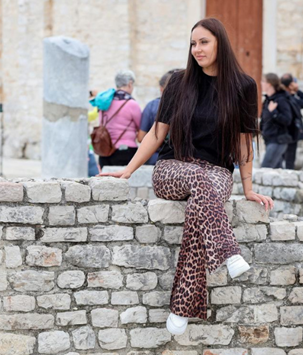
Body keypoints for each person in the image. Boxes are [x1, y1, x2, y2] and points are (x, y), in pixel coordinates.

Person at [100, 18, 273, 336]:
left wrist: (247, 188)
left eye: (204, 42)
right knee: (198, 179)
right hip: (172, 169)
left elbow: (243, 142)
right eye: (193, 44)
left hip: (218, 172)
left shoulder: (243, 86)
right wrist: (128, 171)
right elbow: (156, 133)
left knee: (199, 207)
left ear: (220, 42)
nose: (197, 49)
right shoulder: (179, 82)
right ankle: (228, 250)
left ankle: (181, 308)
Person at [97, 70, 142, 170]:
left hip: (105, 150)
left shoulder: (105, 102)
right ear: (130, 83)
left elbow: (101, 123)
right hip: (126, 151)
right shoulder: (131, 104)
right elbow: (141, 127)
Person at [138, 69, 180, 165]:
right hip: (181, 160)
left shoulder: (152, 106)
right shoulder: (189, 107)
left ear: (161, 88)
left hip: (154, 156)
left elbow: (141, 137)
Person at [260, 73, 294, 168]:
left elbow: (287, 120)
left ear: (269, 84)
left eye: (263, 81)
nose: (261, 83)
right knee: (276, 171)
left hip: (278, 140)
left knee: (266, 169)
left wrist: (274, 112)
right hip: (269, 139)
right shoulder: (268, 99)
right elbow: (264, 119)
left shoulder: (281, 99)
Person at [281, 73, 303, 169]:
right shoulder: (291, 100)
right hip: (288, 133)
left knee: (286, 158)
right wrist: (297, 90)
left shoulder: (283, 97)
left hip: (287, 133)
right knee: (288, 159)